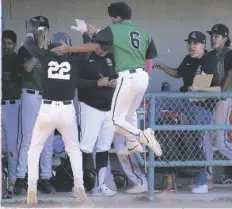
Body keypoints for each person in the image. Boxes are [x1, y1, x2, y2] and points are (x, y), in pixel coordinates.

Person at [51, 2, 162, 157]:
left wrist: (68, 49)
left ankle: (142, 136)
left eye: (112, 18)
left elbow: (93, 46)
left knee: (116, 120)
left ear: (116, 18)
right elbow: (148, 59)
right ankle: (132, 143)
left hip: (127, 76)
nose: (112, 21)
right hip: (143, 77)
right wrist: (95, 31)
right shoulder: (143, 33)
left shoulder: (114, 29)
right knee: (130, 114)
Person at [23, 18, 86, 204]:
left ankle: (32, 188)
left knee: (34, 149)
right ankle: (80, 186)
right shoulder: (75, 59)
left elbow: (28, 44)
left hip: (47, 108)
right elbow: (86, 49)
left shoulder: (45, 55)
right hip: (67, 109)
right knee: (74, 150)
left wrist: (31, 31)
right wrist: (84, 32)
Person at [153, 31, 221, 194]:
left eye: (195, 43)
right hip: (185, 100)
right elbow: (178, 73)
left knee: (195, 141)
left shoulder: (209, 60)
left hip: (202, 107)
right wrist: (163, 67)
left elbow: (218, 89)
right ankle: (151, 133)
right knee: (158, 98)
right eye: (190, 43)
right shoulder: (188, 60)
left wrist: (199, 89)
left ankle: (202, 182)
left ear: (203, 45)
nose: (191, 46)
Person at [15, 16, 55, 195]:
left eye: (44, 29)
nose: (42, 32)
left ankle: (45, 178)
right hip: (30, 95)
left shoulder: (53, 50)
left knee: (48, 141)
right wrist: (36, 48)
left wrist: (46, 48)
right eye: (39, 29)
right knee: (28, 139)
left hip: (48, 97)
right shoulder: (25, 49)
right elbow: (28, 67)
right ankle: (21, 178)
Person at [202, 24, 232, 188]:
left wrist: (222, 92)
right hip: (212, 99)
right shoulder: (211, 55)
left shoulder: (229, 53)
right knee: (206, 136)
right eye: (212, 36)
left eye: (217, 36)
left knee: (220, 142)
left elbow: (230, 73)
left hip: (224, 98)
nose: (213, 39)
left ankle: (207, 177)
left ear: (225, 38)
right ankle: (207, 177)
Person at [2, 30, 22, 194]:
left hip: (12, 105)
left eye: (9, 43)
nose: (5, 46)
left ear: (14, 45)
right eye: (3, 43)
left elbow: (18, 83)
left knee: (11, 147)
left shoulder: (17, 60)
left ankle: (13, 181)